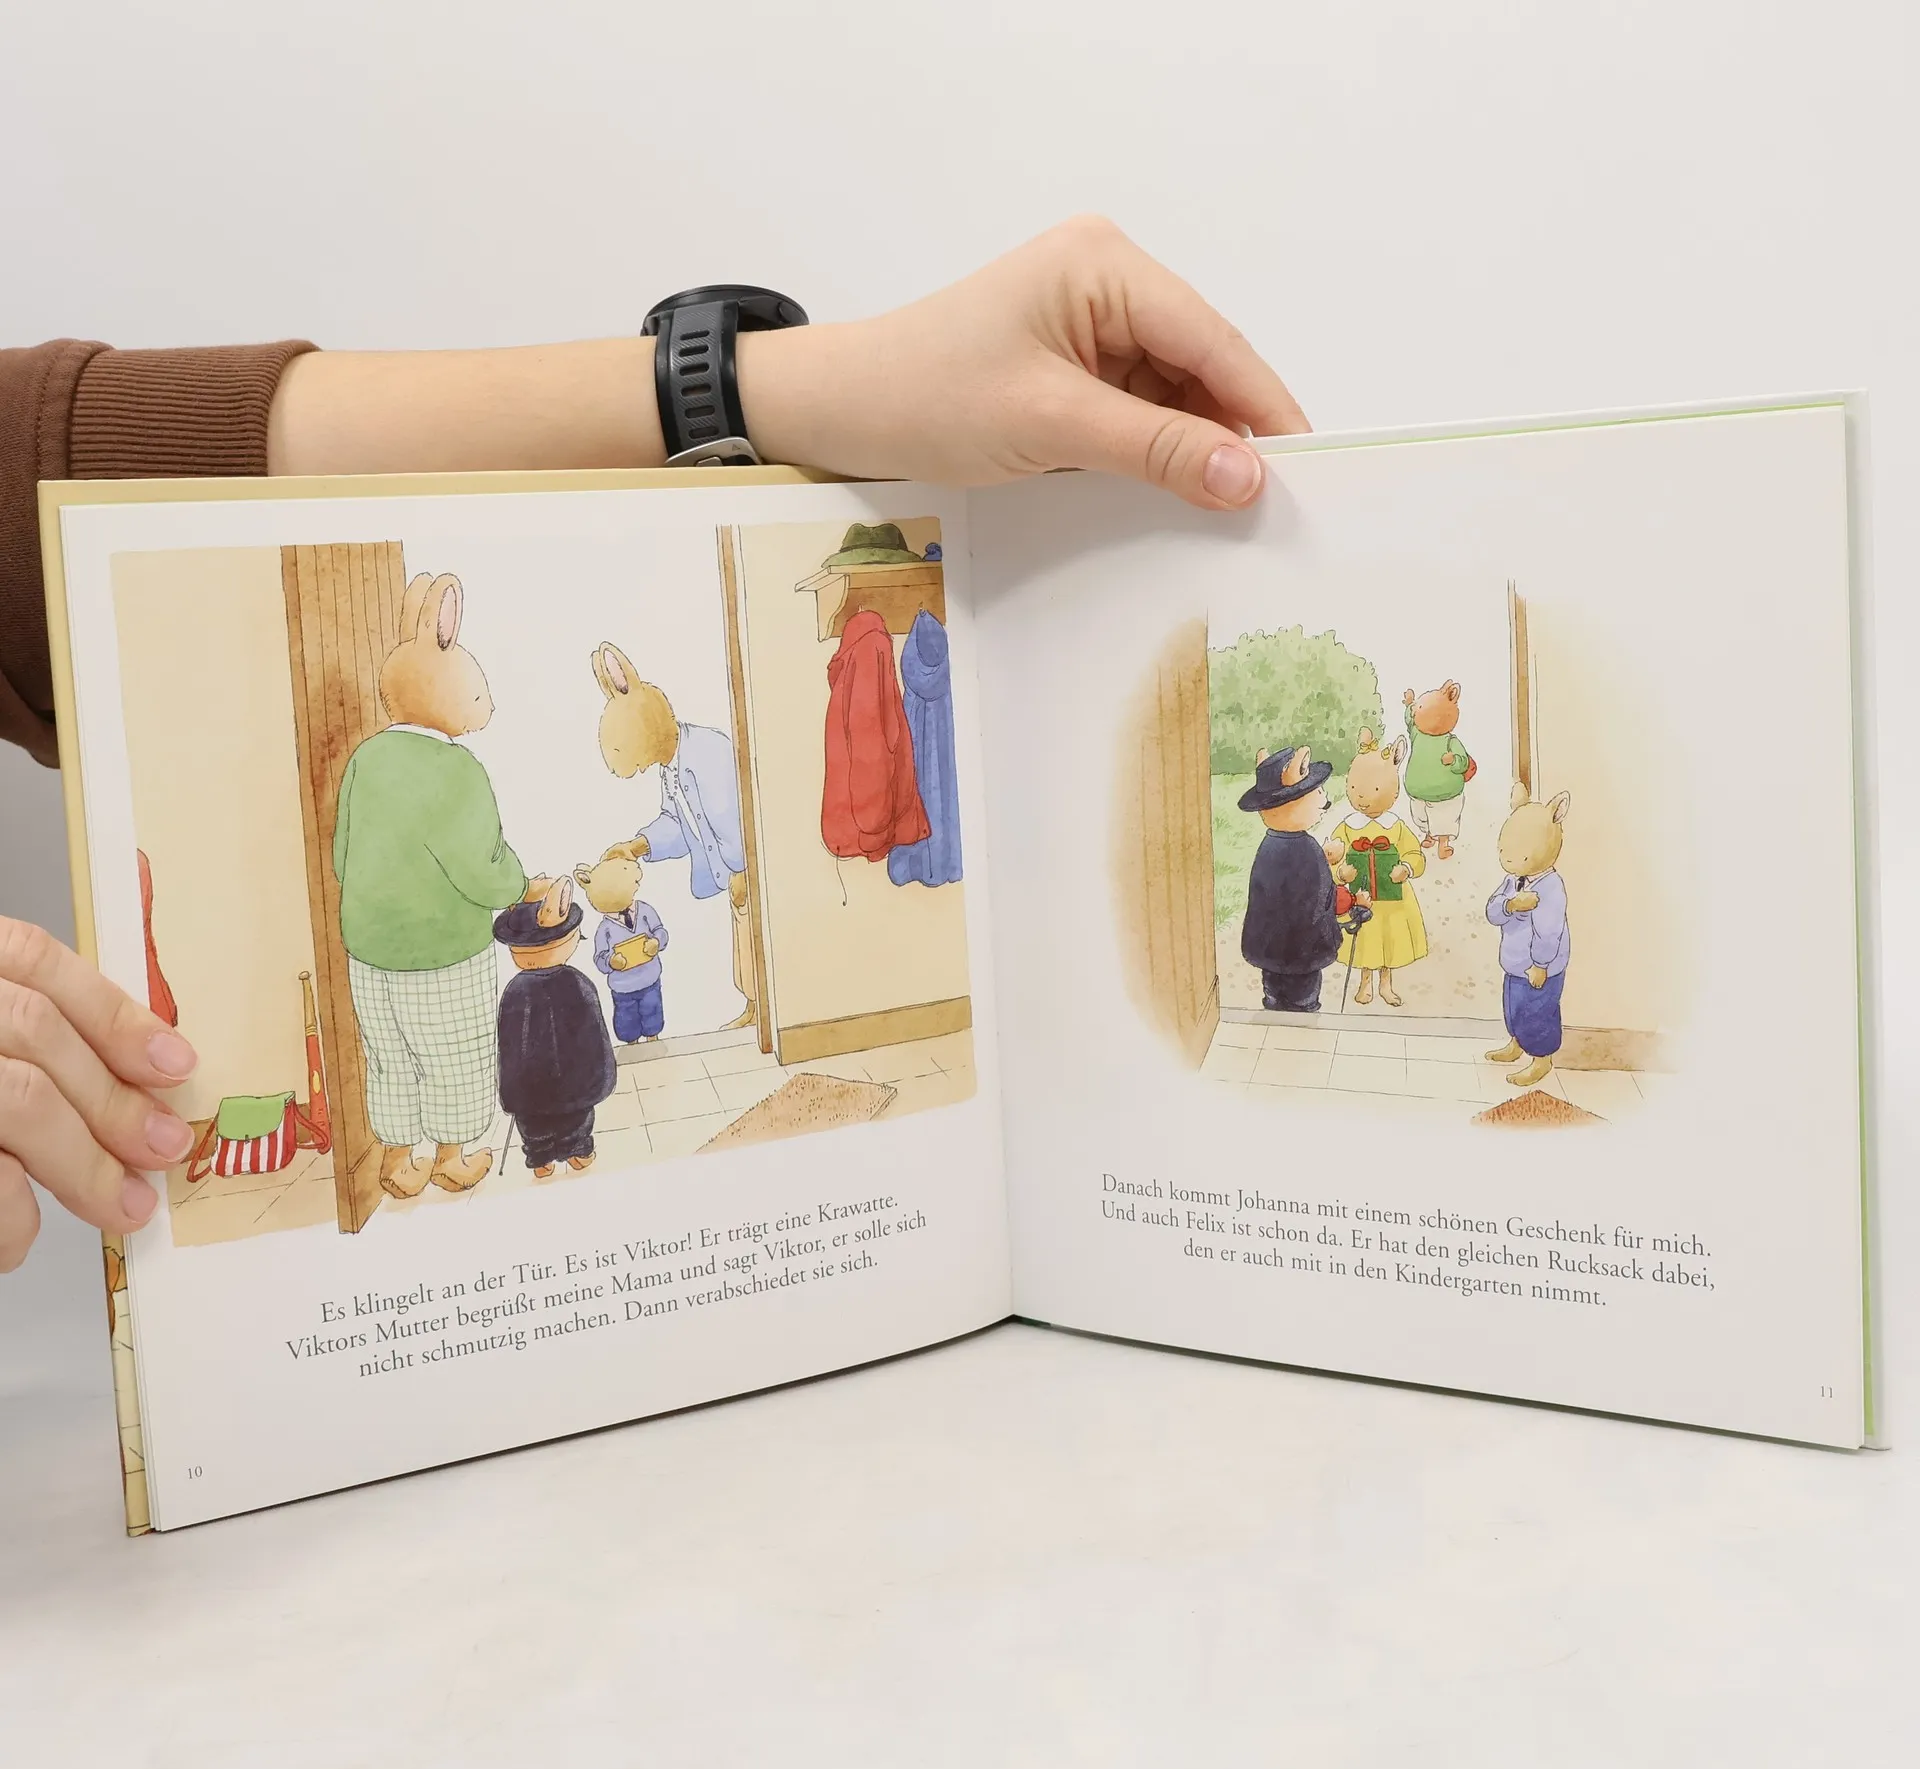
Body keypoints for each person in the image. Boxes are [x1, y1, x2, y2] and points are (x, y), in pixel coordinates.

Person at [0, 216, 1309, 1271]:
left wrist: (766, 385)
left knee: (416, 1050)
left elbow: (47, 462)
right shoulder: (457, 774)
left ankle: (421, 1148)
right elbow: (498, 854)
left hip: (406, 947)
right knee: (444, 1050)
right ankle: (454, 1145)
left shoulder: (420, 766)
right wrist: (538, 880)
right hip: (445, 952)